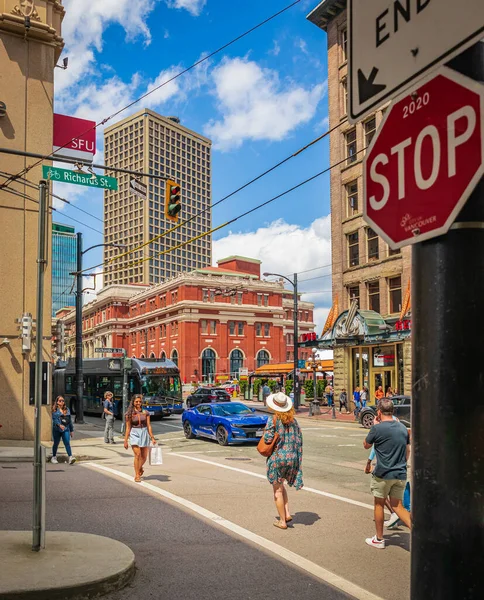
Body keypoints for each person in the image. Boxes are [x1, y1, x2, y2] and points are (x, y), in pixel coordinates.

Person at [363, 399, 411, 549]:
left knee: (379, 504)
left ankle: (379, 538)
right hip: (400, 472)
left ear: (378, 412)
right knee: (398, 506)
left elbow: (366, 445)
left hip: (383, 473)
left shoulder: (377, 429)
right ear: (393, 411)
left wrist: (375, 426)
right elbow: (407, 451)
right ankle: (418, 533)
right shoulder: (403, 428)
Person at [263, 392, 303, 530]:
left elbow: (268, 439)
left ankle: (282, 521)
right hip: (291, 458)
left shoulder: (273, 420)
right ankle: (286, 513)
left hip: (277, 457)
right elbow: (299, 440)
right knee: (282, 485)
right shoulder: (294, 421)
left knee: (277, 491)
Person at [124, 394, 157, 482]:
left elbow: (149, 425)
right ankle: (137, 475)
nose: (138, 403)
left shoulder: (145, 412)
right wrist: (125, 440)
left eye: (139, 401)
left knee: (144, 457)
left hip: (144, 432)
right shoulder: (129, 414)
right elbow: (128, 428)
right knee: (137, 454)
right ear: (133, 402)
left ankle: (139, 467)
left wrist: (152, 437)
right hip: (134, 433)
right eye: (136, 401)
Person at [51, 396, 76, 464]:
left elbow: (69, 420)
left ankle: (70, 457)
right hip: (57, 429)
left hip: (66, 429)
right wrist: (59, 425)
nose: (62, 402)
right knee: (56, 443)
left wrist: (71, 430)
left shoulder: (67, 409)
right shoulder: (55, 410)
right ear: (57, 402)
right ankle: (54, 457)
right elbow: (55, 419)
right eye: (60, 400)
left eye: (63, 400)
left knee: (67, 442)